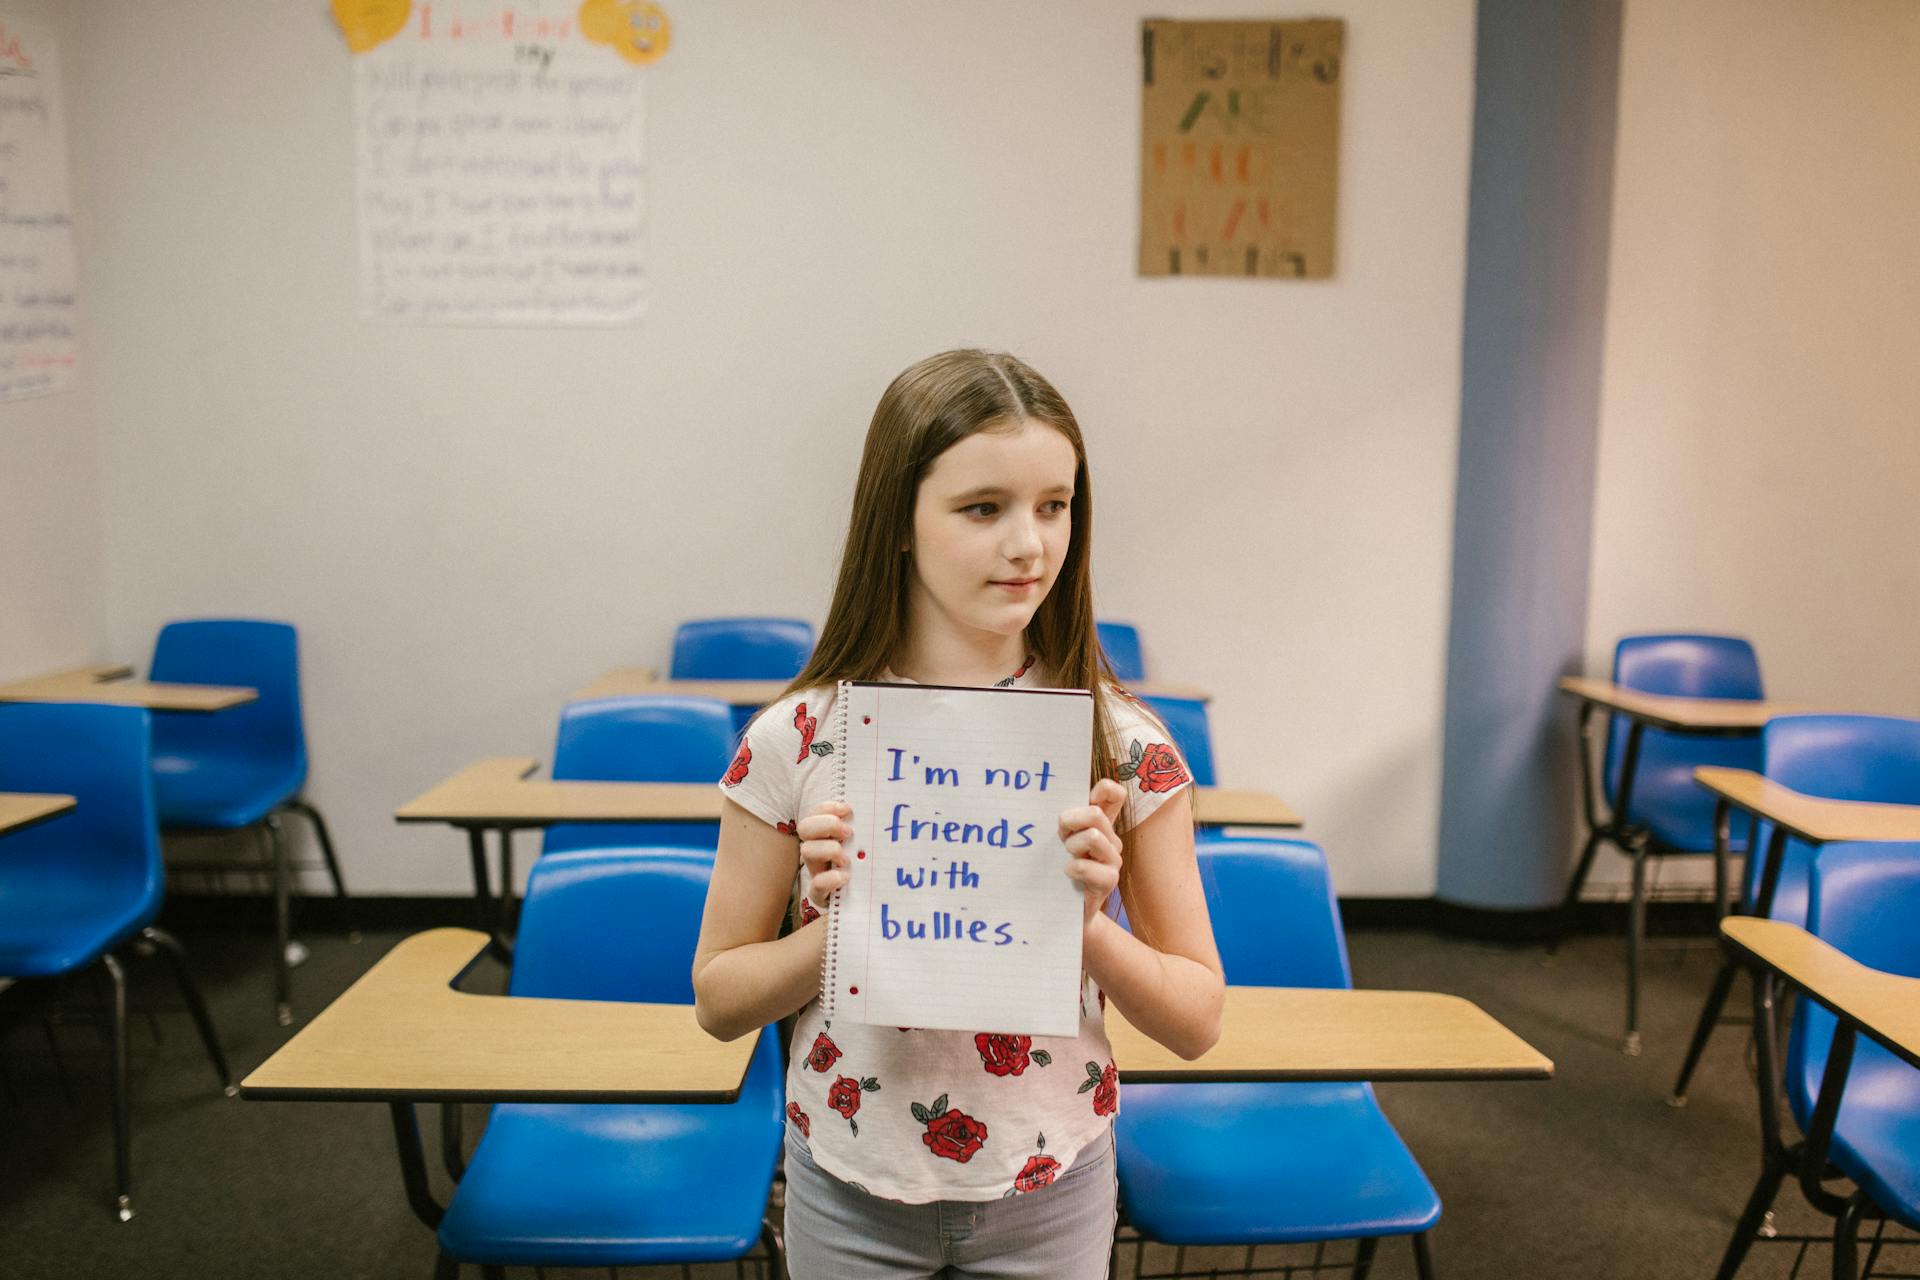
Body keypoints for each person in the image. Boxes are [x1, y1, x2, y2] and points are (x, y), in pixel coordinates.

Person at [692, 349, 1224, 1279]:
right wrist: (838, 928)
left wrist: (1086, 926)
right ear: (897, 521)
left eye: (1054, 505)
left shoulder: (1124, 744)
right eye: (984, 508)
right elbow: (718, 1001)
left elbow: (1196, 1020)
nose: (1030, 544)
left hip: (1049, 1183)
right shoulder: (801, 738)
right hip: (850, 1177)